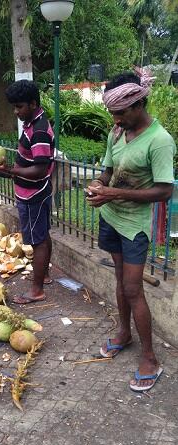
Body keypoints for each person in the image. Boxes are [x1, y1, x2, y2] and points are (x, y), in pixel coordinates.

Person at [86, 70, 176, 392]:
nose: (116, 119)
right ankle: (124, 333)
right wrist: (100, 187)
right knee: (121, 284)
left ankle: (150, 358)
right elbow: (109, 171)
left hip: (135, 227)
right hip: (111, 217)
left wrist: (115, 193)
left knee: (133, 290)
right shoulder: (116, 133)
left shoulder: (160, 140)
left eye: (121, 112)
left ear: (138, 104)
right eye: (112, 113)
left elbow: (164, 191)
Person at [0, 79, 54, 304]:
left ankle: (36, 290)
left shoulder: (38, 130)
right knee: (42, 235)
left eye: (19, 107)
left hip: (34, 194)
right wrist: (8, 171)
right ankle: (43, 275)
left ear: (33, 103)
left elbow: (39, 168)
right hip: (32, 191)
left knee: (38, 242)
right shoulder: (32, 123)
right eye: (14, 107)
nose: (16, 111)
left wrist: (9, 169)